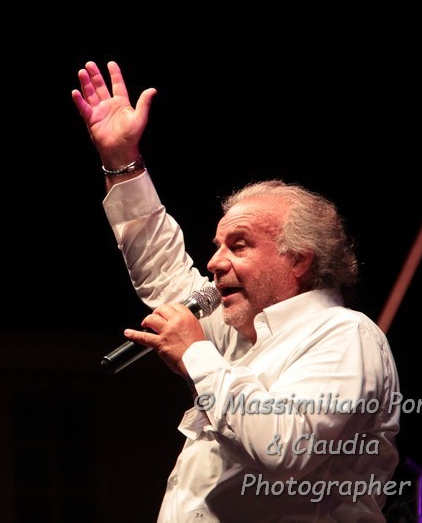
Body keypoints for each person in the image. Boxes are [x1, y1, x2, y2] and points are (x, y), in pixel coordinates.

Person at [71, 61, 402, 522]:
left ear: (298, 259)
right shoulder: (238, 336)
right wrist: (121, 160)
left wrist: (196, 354)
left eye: (239, 245)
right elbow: (163, 269)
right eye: (217, 246)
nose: (214, 262)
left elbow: (285, 447)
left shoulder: (345, 334)